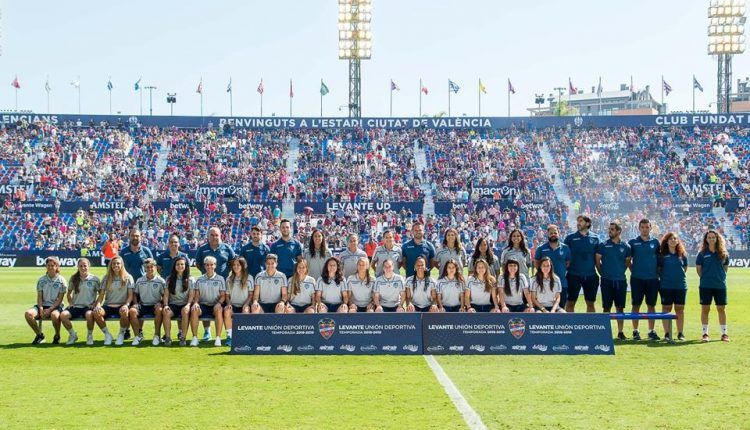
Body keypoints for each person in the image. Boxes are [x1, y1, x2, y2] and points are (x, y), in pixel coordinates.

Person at [195, 227, 236, 341]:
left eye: (216, 235)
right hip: (206, 282)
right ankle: (207, 331)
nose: (214, 237)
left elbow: (233, 262)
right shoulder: (202, 249)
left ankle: (227, 334)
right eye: (212, 235)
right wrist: (207, 272)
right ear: (208, 236)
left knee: (223, 309)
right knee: (206, 302)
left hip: (223, 284)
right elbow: (198, 264)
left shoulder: (227, 248)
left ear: (220, 236)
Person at [595, 222, 632, 340]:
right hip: (606, 281)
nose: (609, 231)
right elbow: (597, 262)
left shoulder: (626, 246)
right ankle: (605, 332)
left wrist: (619, 272)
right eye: (609, 229)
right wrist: (603, 274)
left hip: (620, 281)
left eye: (612, 229)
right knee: (606, 307)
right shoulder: (603, 245)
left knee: (620, 307)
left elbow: (627, 263)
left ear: (618, 231)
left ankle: (620, 332)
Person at [628, 219, 661, 341]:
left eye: (647, 227)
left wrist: (656, 273)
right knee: (636, 305)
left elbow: (659, 261)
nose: (644, 229)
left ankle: (651, 331)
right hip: (637, 278)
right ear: (639, 228)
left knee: (651, 305)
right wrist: (633, 271)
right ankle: (635, 331)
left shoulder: (656, 242)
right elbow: (628, 261)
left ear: (650, 228)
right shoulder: (632, 242)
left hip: (652, 279)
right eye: (642, 227)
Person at [92, 256, 135, 346]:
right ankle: (107, 335)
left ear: (122, 265)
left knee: (124, 312)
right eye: (114, 263)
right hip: (108, 305)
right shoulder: (106, 278)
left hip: (122, 305)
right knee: (96, 312)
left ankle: (121, 334)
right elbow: (101, 295)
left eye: (118, 263)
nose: (116, 265)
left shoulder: (128, 277)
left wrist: (126, 305)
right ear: (111, 265)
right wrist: (98, 305)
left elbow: (130, 296)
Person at [696, 230, 730, 342]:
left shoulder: (723, 253)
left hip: (720, 285)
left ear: (717, 239)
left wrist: (718, 278)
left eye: (713, 237)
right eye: (709, 237)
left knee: (721, 309)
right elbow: (699, 270)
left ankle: (724, 334)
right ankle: (705, 334)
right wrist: (706, 278)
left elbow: (725, 269)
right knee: (705, 309)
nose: (711, 239)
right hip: (705, 285)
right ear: (706, 239)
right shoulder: (702, 254)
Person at [24, 256, 67, 344]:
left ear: (57, 266)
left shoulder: (62, 280)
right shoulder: (41, 280)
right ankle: (40, 335)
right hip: (43, 306)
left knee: (55, 315)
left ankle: (57, 335)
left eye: (52, 265)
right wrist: (41, 309)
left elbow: (60, 299)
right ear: (46, 266)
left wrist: (50, 309)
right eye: (48, 265)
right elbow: (39, 297)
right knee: (28, 314)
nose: (50, 267)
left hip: (56, 306)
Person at [119, 228, 153, 340]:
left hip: (142, 285)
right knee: (126, 308)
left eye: (137, 236)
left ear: (141, 237)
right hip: (126, 285)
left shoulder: (146, 251)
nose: (135, 238)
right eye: (133, 235)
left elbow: (151, 267)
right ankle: (126, 330)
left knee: (139, 308)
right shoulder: (123, 252)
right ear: (129, 237)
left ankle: (139, 330)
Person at [564, 214, 601, 313]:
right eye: (578, 221)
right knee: (570, 302)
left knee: (590, 303)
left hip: (590, 275)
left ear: (587, 223)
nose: (578, 223)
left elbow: (598, 258)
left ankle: (590, 326)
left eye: (581, 221)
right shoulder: (570, 238)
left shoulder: (596, 238)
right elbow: (565, 257)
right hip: (573, 275)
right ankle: (570, 326)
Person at [59, 258, 101, 345]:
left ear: (89, 266)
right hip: (76, 306)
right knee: (63, 315)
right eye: (80, 266)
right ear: (77, 267)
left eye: (85, 266)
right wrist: (70, 302)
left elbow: (101, 294)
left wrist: (95, 304)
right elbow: (69, 293)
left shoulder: (95, 279)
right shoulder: (74, 278)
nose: (83, 268)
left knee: (89, 315)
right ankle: (73, 335)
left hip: (88, 307)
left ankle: (89, 335)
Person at [129, 258, 166, 346]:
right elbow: (135, 294)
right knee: (132, 311)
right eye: (147, 267)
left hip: (155, 305)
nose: (149, 269)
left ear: (156, 267)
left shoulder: (161, 281)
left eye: (151, 267)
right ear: (144, 268)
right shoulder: (139, 280)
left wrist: (160, 302)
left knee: (159, 309)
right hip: (143, 305)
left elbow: (165, 296)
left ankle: (157, 335)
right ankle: (138, 336)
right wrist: (135, 304)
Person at [658, 232, 688, 341]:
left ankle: (680, 333)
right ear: (666, 241)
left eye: (675, 238)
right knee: (666, 309)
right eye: (671, 239)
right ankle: (667, 333)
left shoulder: (682, 254)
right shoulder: (662, 255)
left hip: (680, 286)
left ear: (678, 241)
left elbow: (685, 268)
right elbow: (659, 270)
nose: (673, 240)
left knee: (680, 309)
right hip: (666, 286)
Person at [190, 256, 227, 347]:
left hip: (215, 305)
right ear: (204, 266)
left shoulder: (221, 279)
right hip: (203, 305)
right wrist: (195, 303)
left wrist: (219, 303)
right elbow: (197, 295)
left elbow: (223, 296)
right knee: (194, 310)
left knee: (219, 310)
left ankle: (217, 338)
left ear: (215, 266)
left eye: (211, 265)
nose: (209, 267)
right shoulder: (199, 279)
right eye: (207, 265)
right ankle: (195, 338)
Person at [534, 225, 571, 309]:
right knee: (544, 309)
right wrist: (545, 273)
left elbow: (568, 263)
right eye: (551, 233)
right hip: (544, 283)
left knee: (561, 308)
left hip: (562, 283)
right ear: (547, 234)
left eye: (555, 233)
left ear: (559, 234)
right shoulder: (541, 248)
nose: (553, 234)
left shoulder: (565, 248)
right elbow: (536, 263)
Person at [162, 256, 194, 346]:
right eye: (178, 264)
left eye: (182, 264)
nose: (180, 266)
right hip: (173, 304)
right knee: (166, 312)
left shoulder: (191, 279)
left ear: (186, 266)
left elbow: (191, 295)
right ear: (174, 266)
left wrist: (188, 305)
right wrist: (165, 305)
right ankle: (168, 338)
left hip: (185, 304)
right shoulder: (169, 279)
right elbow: (166, 294)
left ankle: (183, 338)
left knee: (185, 311)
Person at [223, 257, 255, 346]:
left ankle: (244, 336)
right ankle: (230, 337)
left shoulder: (249, 278)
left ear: (243, 266)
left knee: (246, 311)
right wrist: (229, 303)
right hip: (233, 305)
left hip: (244, 304)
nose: (236, 267)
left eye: (238, 265)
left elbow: (251, 295)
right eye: (234, 265)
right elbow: (227, 295)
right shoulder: (229, 279)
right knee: (226, 310)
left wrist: (246, 304)